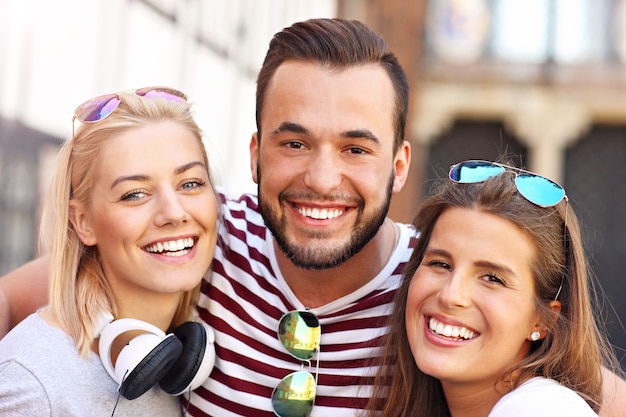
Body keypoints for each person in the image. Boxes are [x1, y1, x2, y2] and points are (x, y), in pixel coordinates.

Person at [1, 18, 626, 417]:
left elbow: (574, 379)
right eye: (294, 143)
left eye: (356, 148)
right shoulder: (196, 239)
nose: (322, 179)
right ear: (255, 153)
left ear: (399, 165)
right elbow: (23, 302)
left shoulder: (437, 289)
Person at [0, 87, 218, 415]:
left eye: (190, 183)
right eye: (135, 194)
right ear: (84, 222)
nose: (174, 212)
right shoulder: (33, 384)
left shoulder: (174, 364)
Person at [367, 160, 623, 417]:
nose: (451, 295)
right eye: (441, 264)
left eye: (492, 278)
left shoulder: (539, 408)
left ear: (543, 321)